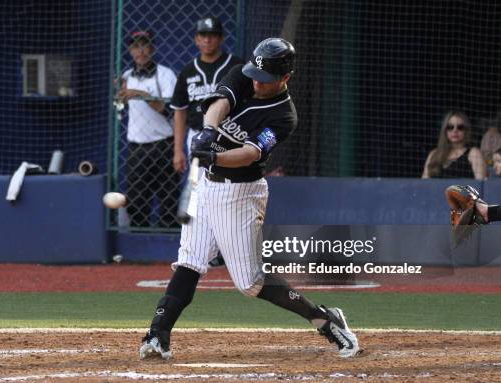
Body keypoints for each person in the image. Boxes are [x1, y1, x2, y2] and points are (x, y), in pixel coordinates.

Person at [139, 37, 360, 360]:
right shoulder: (246, 73)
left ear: (285, 78)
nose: (257, 83)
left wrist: (214, 157)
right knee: (190, 261)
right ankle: (157, 336)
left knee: (250, 282)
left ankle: (326, 320)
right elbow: (220, 104)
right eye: (256, 76)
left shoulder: (284, 116)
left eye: (267, 80)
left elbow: (249, 154)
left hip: (240, 193)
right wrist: (208, 132)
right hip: (207, 186)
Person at [118, 30, 180, 228]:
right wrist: (121, 99)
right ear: (130, 50)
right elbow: (123, 108)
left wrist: (141, 94)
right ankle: (136, 244)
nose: (141, 51)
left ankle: (168, 245)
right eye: (136, 46)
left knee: (168, 199)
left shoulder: (165, 74)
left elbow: (171, 111)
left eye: (145, 45)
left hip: (163, 144)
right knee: (136, 200)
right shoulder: (127, 76)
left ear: (152, 49)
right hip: (137, 146)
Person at [170, 16, 244, 174]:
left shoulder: (236, 66)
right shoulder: (187, 71)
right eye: (203, 35)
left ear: (221, 38)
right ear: (196, 39)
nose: (207, 40)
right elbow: (180, 111)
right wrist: (178, 150)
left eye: (213, 35)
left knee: (228, 184)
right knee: (201, 188)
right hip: (197, 135)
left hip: (230, 135)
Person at [422, 111, 486, 180]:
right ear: (445, 130)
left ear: (466, 130)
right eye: (450, 127)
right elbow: (424, 184)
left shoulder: (474, 153)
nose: (455, 130)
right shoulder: (434, 154)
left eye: (460, 127)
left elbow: (480, 185)